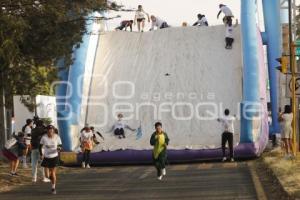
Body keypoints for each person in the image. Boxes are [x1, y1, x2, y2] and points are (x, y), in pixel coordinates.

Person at [40, 125, 62, 195]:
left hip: (54, 156)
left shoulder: (57, 137)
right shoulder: (44, 137)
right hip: (46, 157)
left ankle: (53, 188)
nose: (50, 132)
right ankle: (52, 179)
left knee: (53, 173)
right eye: (49, 131)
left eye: (52, 131)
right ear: (47, 131)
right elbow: (40, 146)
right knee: (47, 175)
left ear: (53, 131)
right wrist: (41, 154)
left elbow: (60, 145)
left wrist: (58, 148)